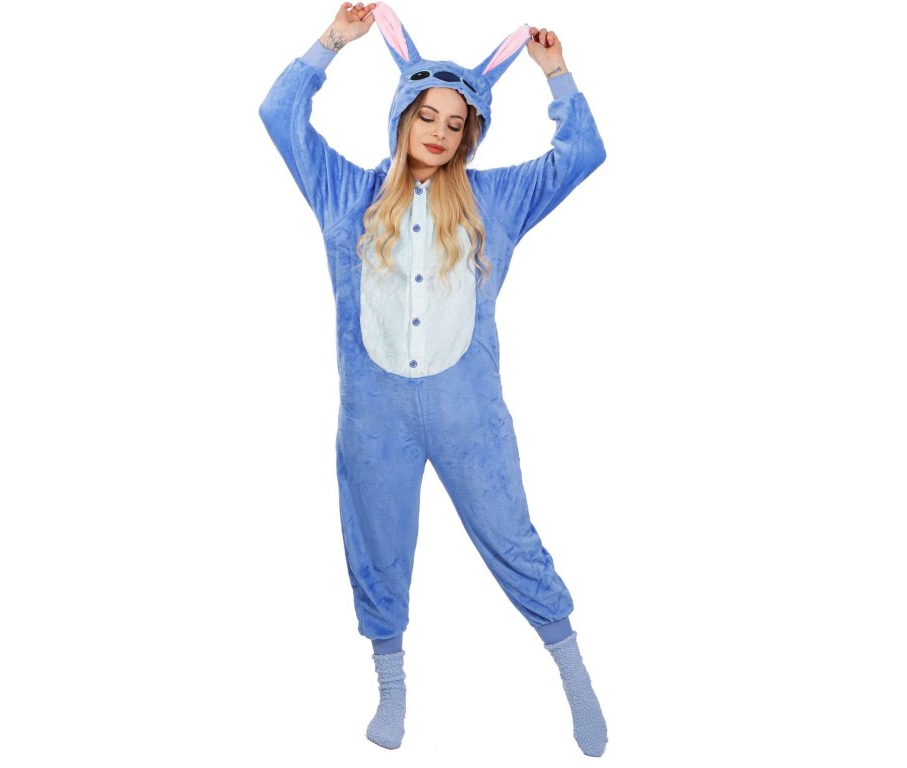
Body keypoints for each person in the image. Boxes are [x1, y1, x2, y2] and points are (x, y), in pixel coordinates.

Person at [259, 2, 608, 756]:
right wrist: (334, 41)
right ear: (401, 117)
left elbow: (581, 154)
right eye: (428, 115)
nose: (441, 133)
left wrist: (556, 75)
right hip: (374, 415)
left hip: (468, 413)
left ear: (471, 134)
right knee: (375, 544)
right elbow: (279, 114)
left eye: (457, 123)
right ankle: (392, 690)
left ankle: (574, 674)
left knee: (512, 537)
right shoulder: (343, 191)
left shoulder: (495, 200)